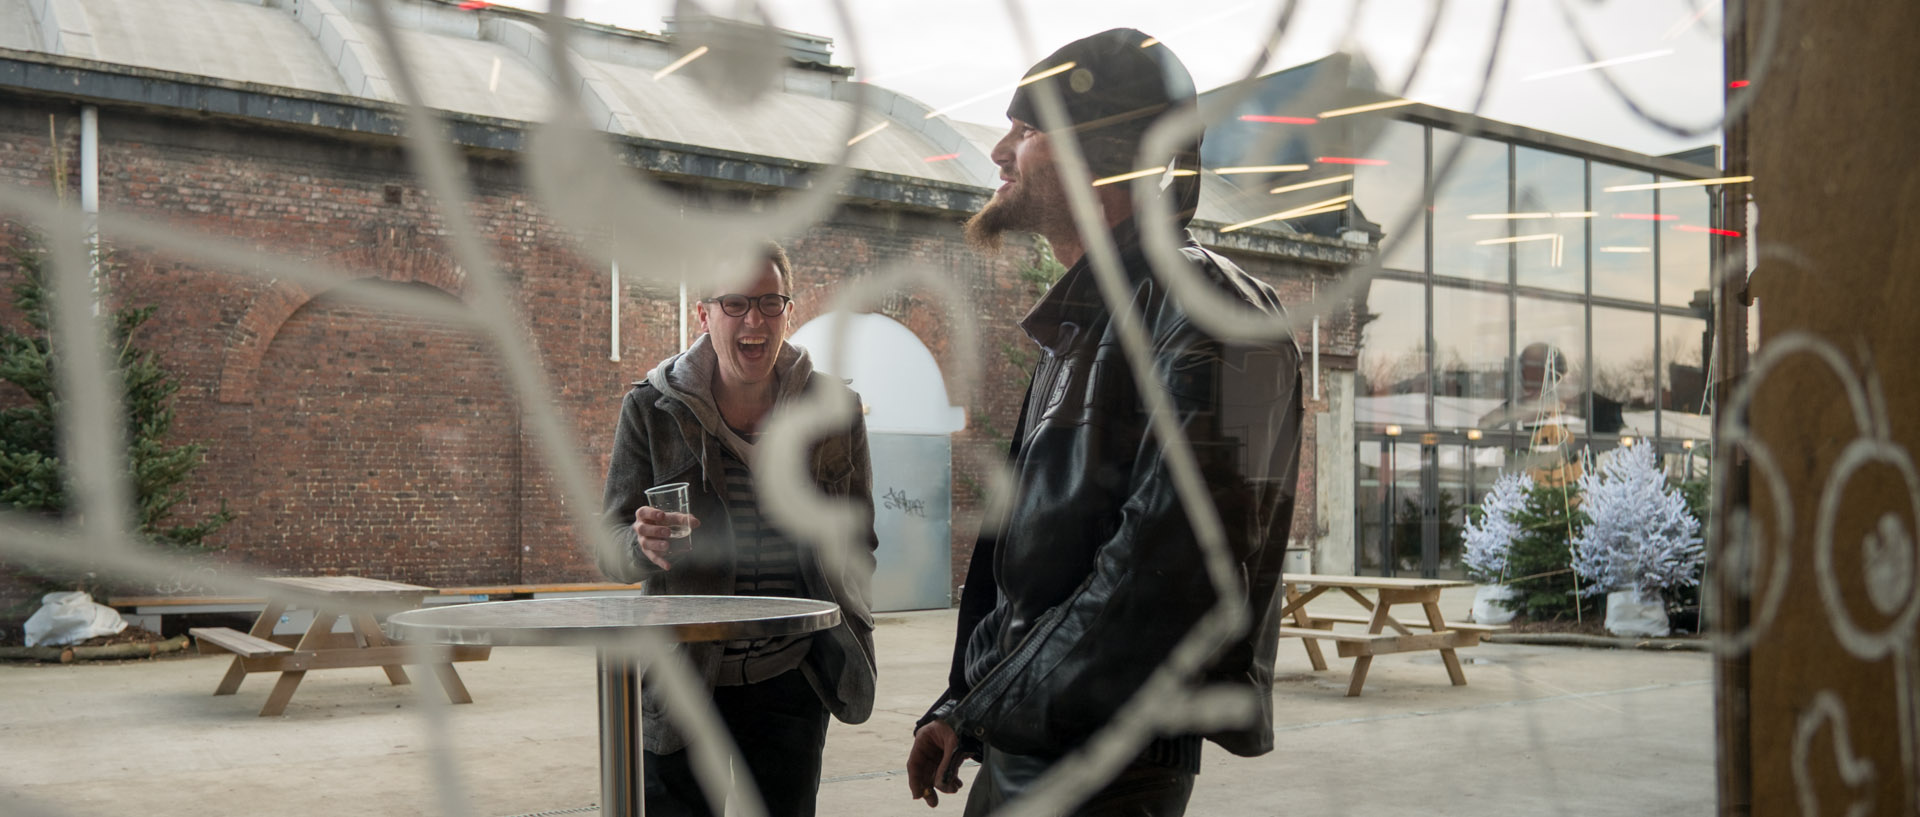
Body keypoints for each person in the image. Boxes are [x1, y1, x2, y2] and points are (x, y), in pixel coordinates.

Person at [904, 29, 1304, 816]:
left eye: (1025, 130)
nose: (997, 150)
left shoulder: (1209, 313)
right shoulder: (1085, 324)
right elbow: (1034, 563)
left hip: (1109, 770)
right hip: (1032, 745)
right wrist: (964, 703)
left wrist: (988, 702)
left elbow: (1161, 576)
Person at [599, 245, 878, 817]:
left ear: (788, 311)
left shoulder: (834, 410)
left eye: (770, 303)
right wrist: (641, 545)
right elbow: (612, 546)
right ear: (705, 314)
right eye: (735, 303)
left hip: (791, 680)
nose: (754, 320)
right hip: (682, 683)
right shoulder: (653, 409)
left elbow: (860, 540)